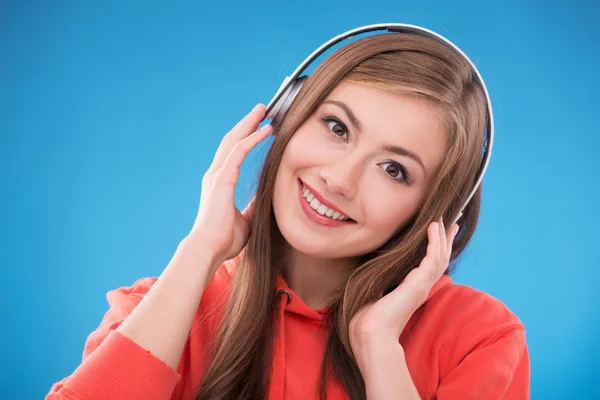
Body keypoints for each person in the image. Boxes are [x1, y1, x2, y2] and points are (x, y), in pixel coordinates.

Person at [47, 28, 529, 400]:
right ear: (287, 114)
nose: (339, 179)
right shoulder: (164, 307)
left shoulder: (479, 338)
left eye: (393, 169)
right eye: (337, 126)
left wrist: (379, 346)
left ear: (436, 211)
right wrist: (201, 249)